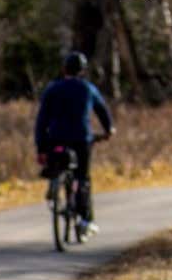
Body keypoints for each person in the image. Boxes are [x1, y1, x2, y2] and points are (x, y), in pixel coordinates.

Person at [34, 51, 115, 237]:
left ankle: (54, 186)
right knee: (82, 177)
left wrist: (41, 146)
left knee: (58, 165)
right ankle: (86, 219)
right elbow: (102, 111)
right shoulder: (87, 89)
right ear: (83, 70)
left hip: (55, 139)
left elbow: (41, 121)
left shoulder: (52, 89)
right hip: (81, 139)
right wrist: (109, 130)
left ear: (64, 69)